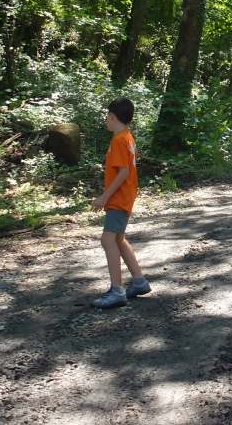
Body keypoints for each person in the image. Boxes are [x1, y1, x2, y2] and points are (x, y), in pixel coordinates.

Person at [90, 98, 150, 309]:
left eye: (107, 117)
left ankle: (116, 290)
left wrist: (104, 197)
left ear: (113, 117)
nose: (106, 120)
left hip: (119, 198)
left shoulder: (118, 140)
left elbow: (123, 172)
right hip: (125, 196)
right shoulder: (126, 137)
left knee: (107, 240)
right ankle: (139, 282)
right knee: (118, 239)